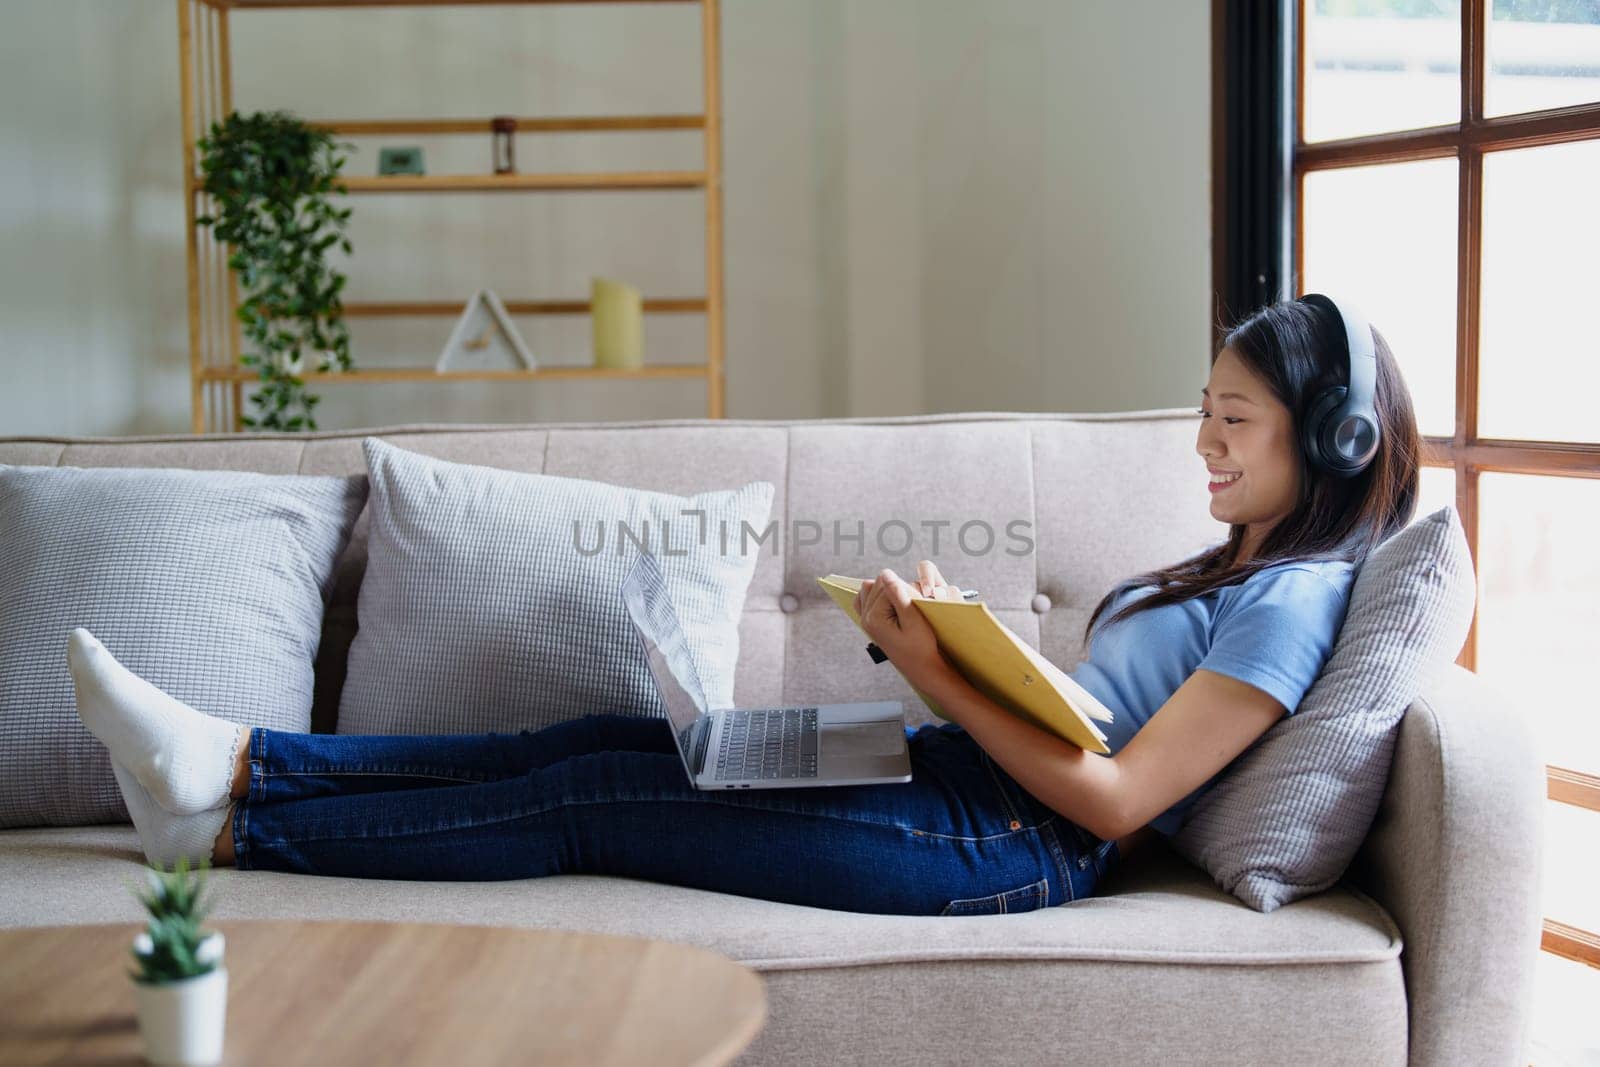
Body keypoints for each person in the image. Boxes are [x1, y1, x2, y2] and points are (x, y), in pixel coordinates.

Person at [70, 296, 1420, 917]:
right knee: (599, 741)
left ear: (1338, 438)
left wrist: (935, 670)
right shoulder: (1233, 568)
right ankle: (243, 767)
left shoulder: (1291, 608)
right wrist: (958, 646)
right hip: (950, 777)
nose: (1204, 445)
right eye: (1202, 415)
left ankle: (238, 833)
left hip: (1000, 849)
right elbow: (1090, 719)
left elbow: (1119, 805)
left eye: (1233, 422)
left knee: (589, 806)